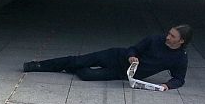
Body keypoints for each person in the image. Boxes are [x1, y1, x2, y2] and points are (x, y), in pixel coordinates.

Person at [23, 25, 192, 90]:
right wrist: (132, 56)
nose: (168, 37)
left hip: (122, 73)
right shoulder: (155, 39)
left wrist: (166, 85)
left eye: (173, 36)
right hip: (115, 56)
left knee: (87, 75)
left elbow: (179, 79)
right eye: (169, 33)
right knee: (77, 60)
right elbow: (133, 48)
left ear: (181, 41)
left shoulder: (179, 58)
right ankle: (36, 65)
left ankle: (70, 67)